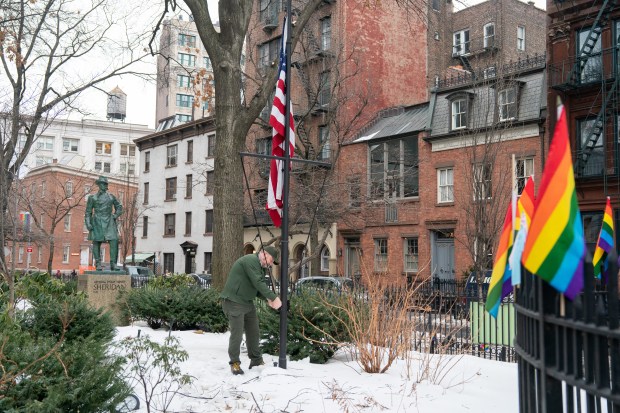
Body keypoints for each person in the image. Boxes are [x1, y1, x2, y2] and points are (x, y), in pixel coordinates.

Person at [220, 246, 282, 375]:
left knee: (254, 331)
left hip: (247, 302)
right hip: (233, 301)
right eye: (271, 260)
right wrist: (273, 297)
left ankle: (256, 361)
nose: (271, 264)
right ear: (264, 253)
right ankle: (235, 363)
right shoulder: (250, 261)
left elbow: (256, 288)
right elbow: (258, 282)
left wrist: (268, 299)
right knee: (237, 334)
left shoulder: (260, 267)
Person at [84, 176, 123, 271]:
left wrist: (115, 215)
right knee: (96, 242)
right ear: (99, 185)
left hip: (109, 221)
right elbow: (88, 212)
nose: (104, 185)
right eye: (102, 184)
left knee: (114, 240)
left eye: (105, 184)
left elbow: (119, 207)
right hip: (97, 221)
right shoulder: (92, 198)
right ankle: (98, 263)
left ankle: (113, 263)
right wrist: (88, 224)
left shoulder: (111, 197)